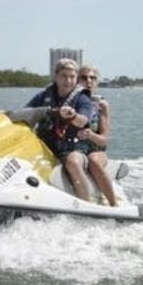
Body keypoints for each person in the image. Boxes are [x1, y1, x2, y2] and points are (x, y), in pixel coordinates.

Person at [26, 58, 95, 202]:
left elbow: (83, 120)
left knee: (73, 163)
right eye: (64, 76)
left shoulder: (83, 98)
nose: (68, 80)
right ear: (56, 77)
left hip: (73, 148)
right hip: (45, 145)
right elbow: (26, 111)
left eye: (72, 77)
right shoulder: (44, 95)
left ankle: (87, 204)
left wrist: (73, 115)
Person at [76, 64, 118, 206]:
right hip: (74, 149)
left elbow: (103, 140)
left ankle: (114, 204)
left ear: (97, 82)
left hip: (95, 150)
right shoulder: (70, 101)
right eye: (84, 77)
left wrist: (90, 135)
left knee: (93, 160)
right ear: (77, 80)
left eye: (92, 78)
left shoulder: (102, 105)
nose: (88, 81)